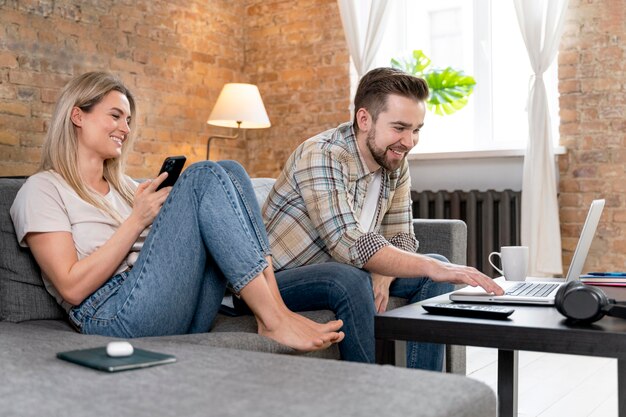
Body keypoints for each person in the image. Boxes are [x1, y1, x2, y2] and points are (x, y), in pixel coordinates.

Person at [9, 71, 344, 352]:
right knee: (202, 175)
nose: (125, 129)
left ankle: (274, 311)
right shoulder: (42, 189)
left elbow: (166, 254)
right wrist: (137, 219)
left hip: (175, 303)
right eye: (115, 116)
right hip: (111, 314)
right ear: (78, 115)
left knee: (231, 170)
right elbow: (71, 287)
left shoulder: (127, 187)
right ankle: (274, 319)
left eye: (127, 120)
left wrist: (162, 216)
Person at [263, 67, 503, 370]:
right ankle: (370, 396)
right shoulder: (323, 155)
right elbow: (346, 242)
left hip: (346, 270)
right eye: (400, 128)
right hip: (279, 280)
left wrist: (385, 273)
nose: (410, 141)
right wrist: (433, 266)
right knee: (353, 277)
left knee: (433, 277)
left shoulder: (395, 161)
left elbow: (403, 236)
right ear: (365, 120)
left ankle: (422, 396)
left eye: (416, 130)